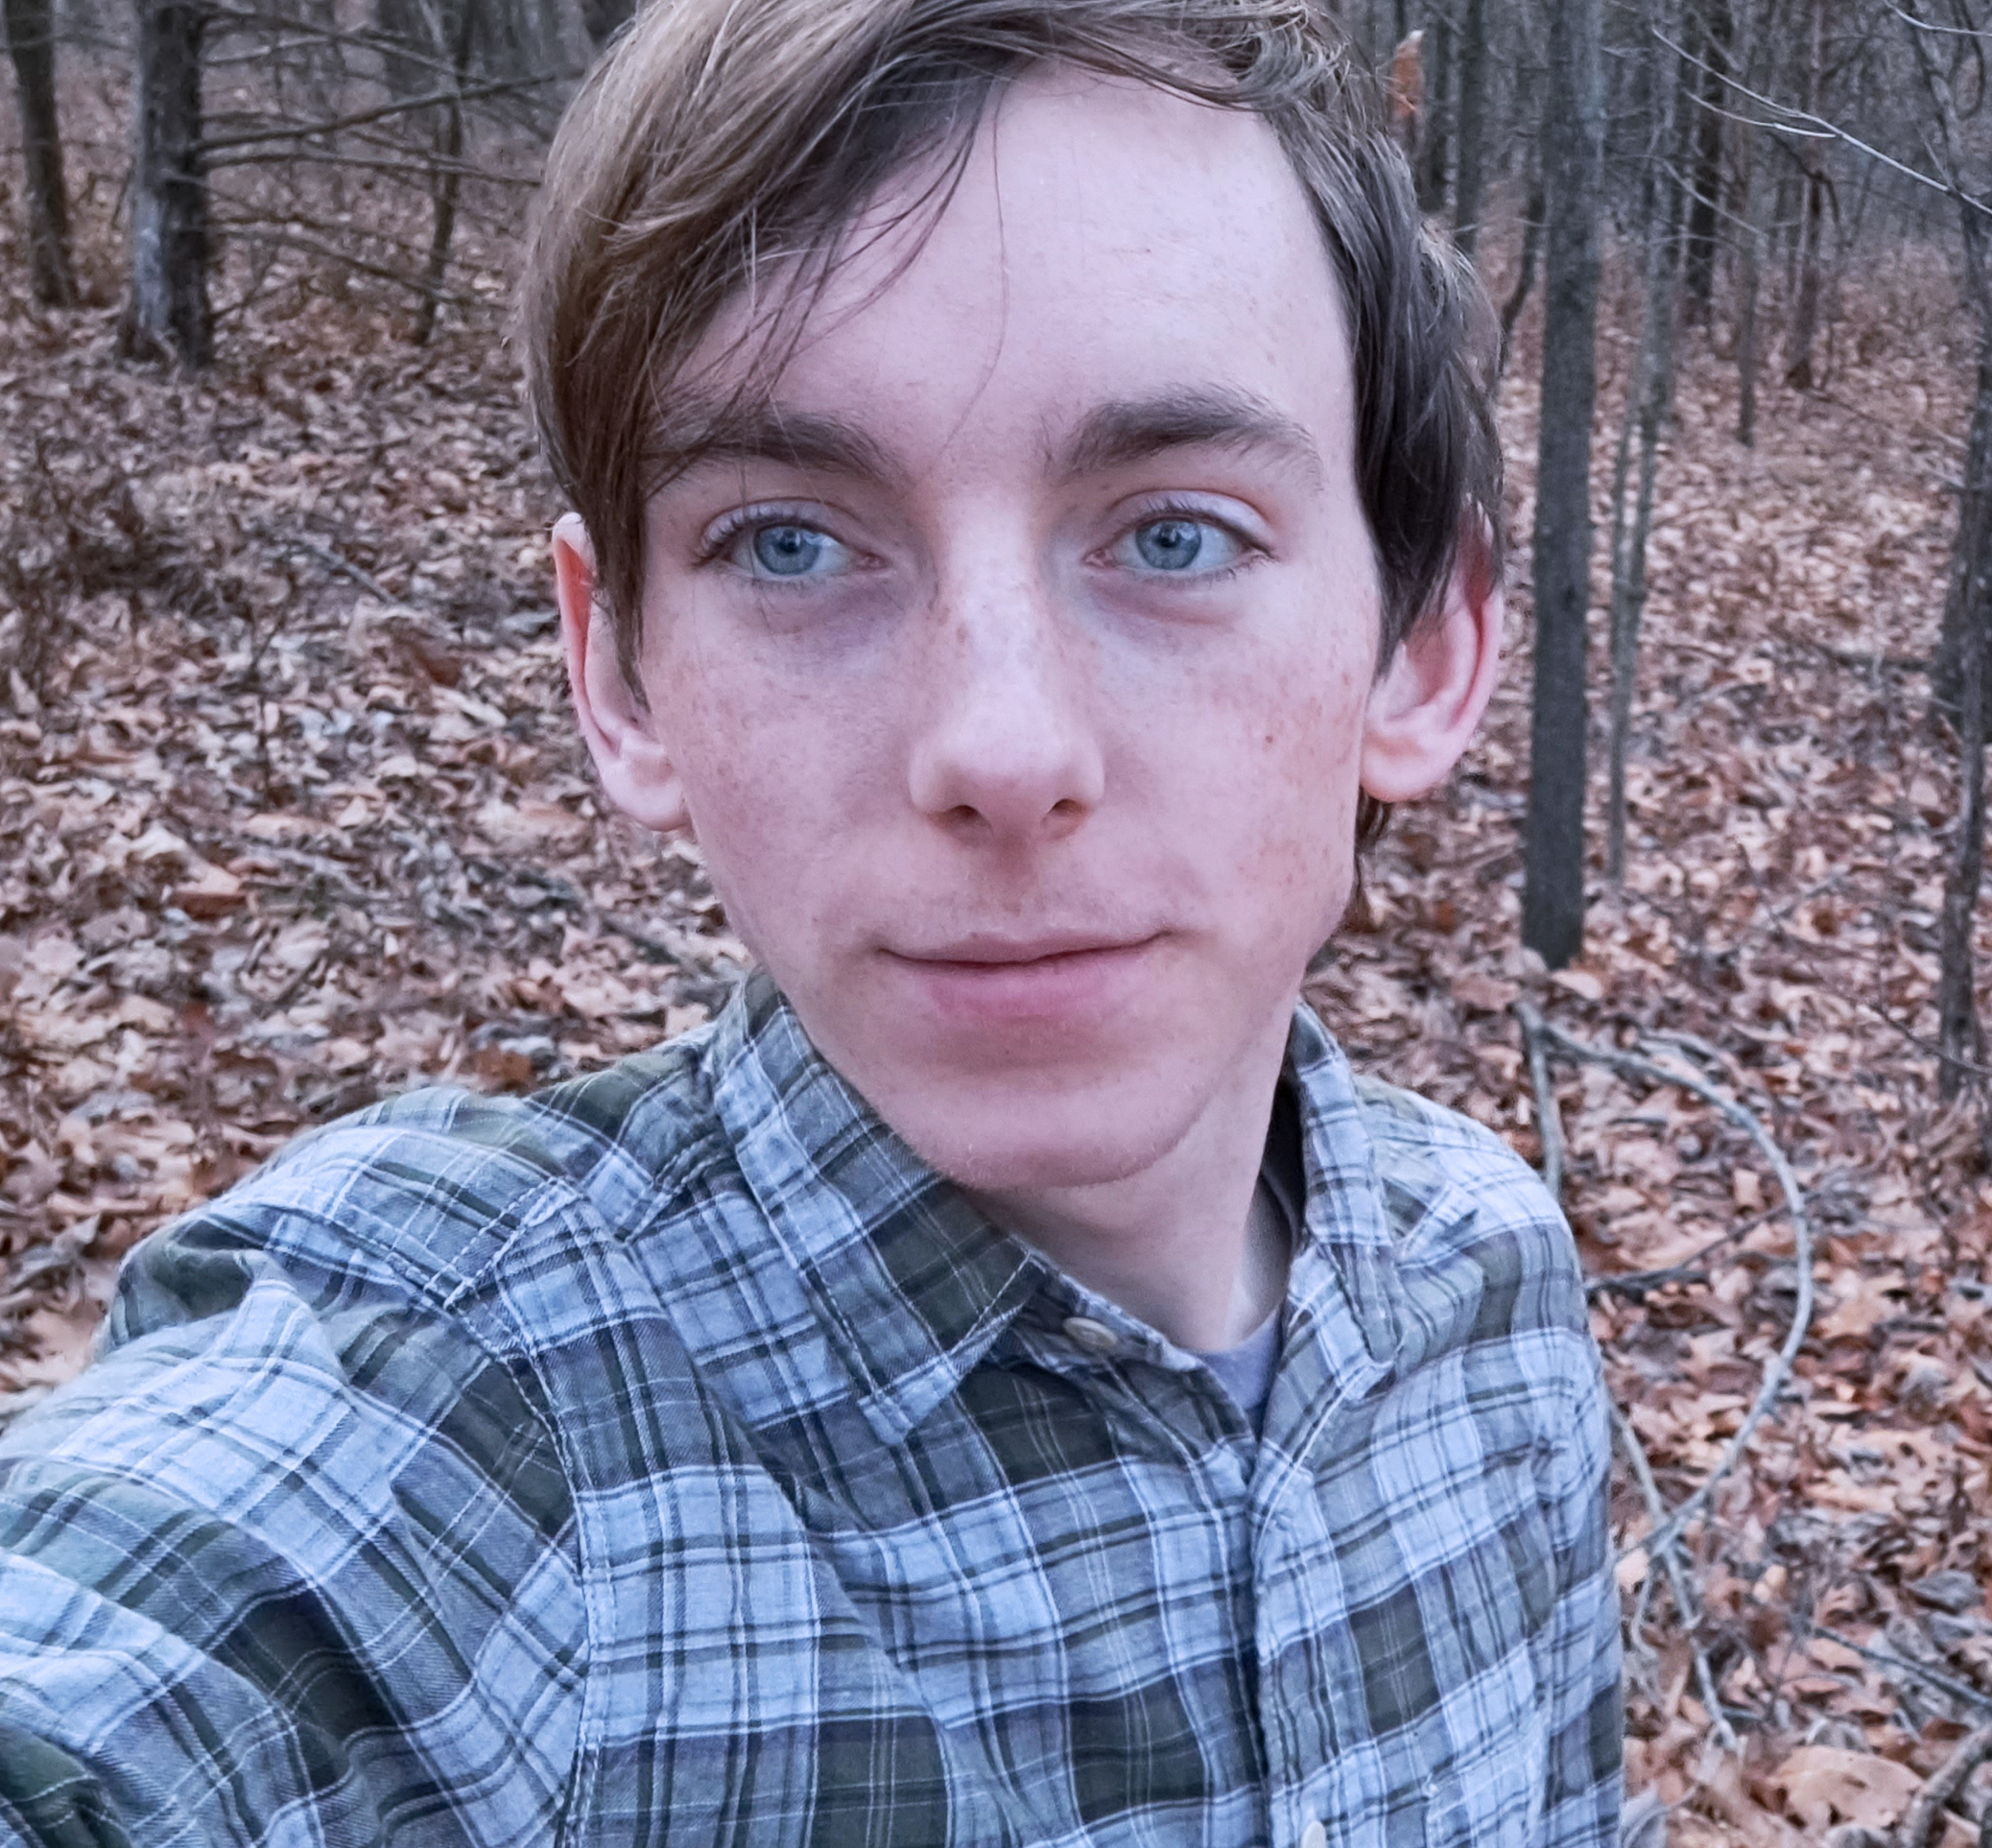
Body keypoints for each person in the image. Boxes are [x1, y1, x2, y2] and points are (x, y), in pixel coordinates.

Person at [0, 1, 1622, 1842]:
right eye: (790, 541)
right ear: (618, 670)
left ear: (1421, 647)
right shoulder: (478, 1434)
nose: (998, 747)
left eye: (1175, 534)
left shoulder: (1496, 1295)